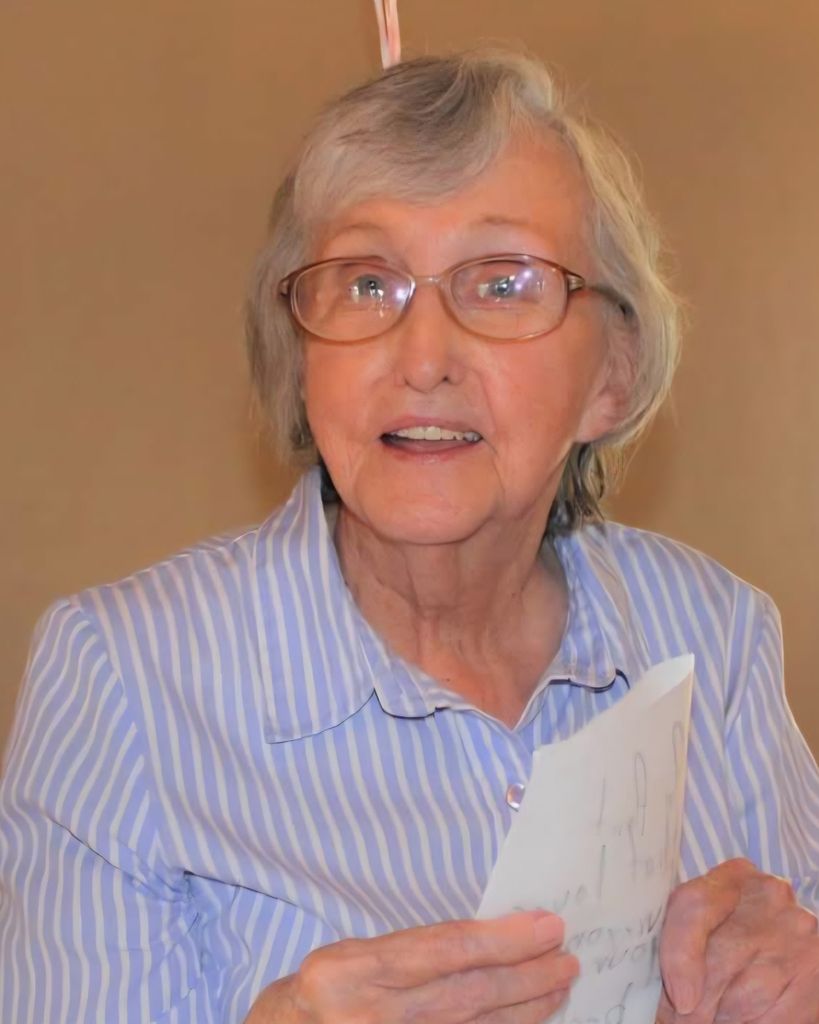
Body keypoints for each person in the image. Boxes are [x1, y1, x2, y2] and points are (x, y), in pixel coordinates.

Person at [2, 49, 818, 1024]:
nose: (422, 358)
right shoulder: (123, 678)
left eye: (503, 283)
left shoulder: (714, 635)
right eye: (366, 283)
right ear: (301, 356)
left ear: (612, 372)